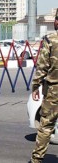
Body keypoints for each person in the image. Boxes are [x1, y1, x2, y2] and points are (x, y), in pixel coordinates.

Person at [30, 12, 58, 163]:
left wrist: (35, 86)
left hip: (54, 91)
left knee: (46, 126)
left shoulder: (50, 40)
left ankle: (37, 159)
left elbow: (42, 66)